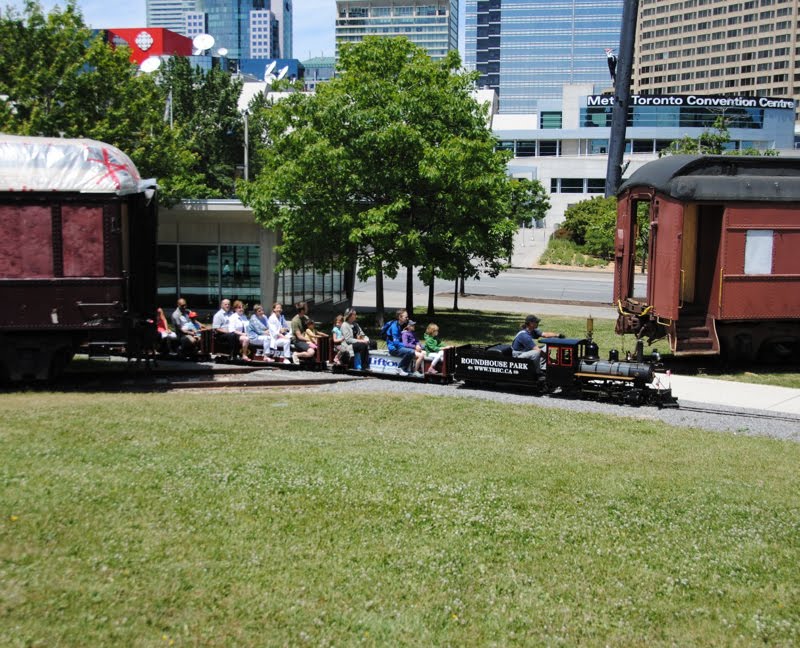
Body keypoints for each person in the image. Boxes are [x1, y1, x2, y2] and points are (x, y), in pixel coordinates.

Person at [385, 308, 415, 376]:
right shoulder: (394, 327)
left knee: (413, 349)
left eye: (407, 317)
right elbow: (396, 343)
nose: (407, 318)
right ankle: (400, 368)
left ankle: (406, 369)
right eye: (406, 317)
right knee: (411, 351)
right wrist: (408, 345)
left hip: (397, 347)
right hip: (393, 349)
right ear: (400, 317)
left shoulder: (399, 325)